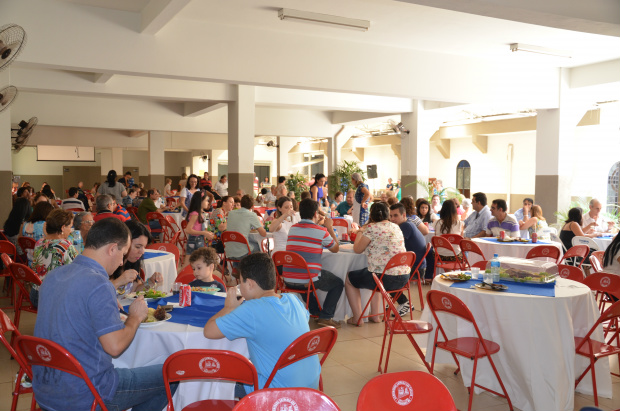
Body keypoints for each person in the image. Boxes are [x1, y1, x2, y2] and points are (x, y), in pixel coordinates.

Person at [33, 218, 174, 411]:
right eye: (123, 254)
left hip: (46, 389)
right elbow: (114, 347)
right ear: (112, 249)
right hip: (87, 393)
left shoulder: (53, 277)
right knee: (172, 374)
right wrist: (135, 317)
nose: (120, 263)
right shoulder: (99, 283)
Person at [203, 253, 320, 396]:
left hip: (277, 391)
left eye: (240, 282)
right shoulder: (293, 299)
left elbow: (209, 331)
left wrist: (228, 307)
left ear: (250, 283)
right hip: (310, 387)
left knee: (209, 374)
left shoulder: (252, 310)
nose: (238, 286)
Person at [345, 202, 408, 325]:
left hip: (384, 278)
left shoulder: (371, 229)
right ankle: (375, 316)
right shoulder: (396, 227)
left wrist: (359, 231)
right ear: (388, 215)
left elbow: (357, 250)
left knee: (349, 279)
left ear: (371, 216)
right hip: (403, 277)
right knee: (377, 274)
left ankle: (357, 317)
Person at [283, 199, 342, 328]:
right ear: (316, 213)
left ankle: (316, 313)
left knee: (307, 280)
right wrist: (330, 227)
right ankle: (326, 317)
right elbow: (335, 248)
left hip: (288, 278)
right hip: (306, 280)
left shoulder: (293, 229)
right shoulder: (321, 231)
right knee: (337, 283)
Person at [31, 209, 78, 307]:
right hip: (51, 298)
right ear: (62, 228)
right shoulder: (66, 246)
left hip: (35, 294)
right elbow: (78, 267)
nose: (70, 230)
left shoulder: (39, 243)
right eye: (70, 227)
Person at [389, 203, 426, 316]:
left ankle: (404, 302)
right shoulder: (407, 224)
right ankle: (393, 299)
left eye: (395, 216)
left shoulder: (405, 226)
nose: (392, 219)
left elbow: (393, 246)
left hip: (415, 268)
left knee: (386, 276)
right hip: (415, 265)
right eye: (390, 216)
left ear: (403, 215)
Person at [109, 220, 163, 294]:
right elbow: (97, 295)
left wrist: (150, 282)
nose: (142, 251)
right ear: (125, 243)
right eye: (138, 247)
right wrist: (119, 281)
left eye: (144, 247)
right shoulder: (107, 265)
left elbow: (135, 290)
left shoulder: (132, 263)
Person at [225, 195, 266, 263]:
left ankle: (236, 267)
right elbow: (263, 234)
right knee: (259, 246)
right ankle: (249, 270)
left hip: (229, 252)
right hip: (242, 253)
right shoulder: (251, 215)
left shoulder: (231, 213)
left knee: (239, 244)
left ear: (241, 204)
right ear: (252, 206)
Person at [184, 191, 215, 262]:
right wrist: (204, 233)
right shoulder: (195, 214)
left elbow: (198, 227)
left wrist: (207, 233)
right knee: (188, 264)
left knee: (196, 263)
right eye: (207, 200)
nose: (208, 203)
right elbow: (188, 230)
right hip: (194, 241)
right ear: (200, 201)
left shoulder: (200, 213)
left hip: (199, 241)